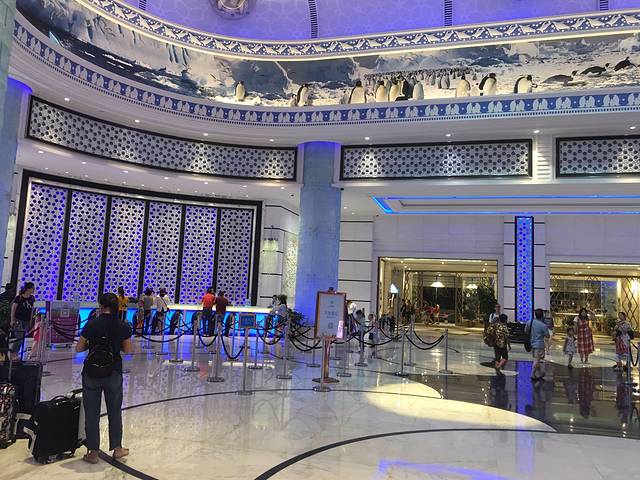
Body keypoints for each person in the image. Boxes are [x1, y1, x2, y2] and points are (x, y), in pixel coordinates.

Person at [76, 292, 132, 464]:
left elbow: (79, 348)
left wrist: (91, 345)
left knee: (91, 412)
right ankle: (117, 448)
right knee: (114, 411)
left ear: (101, 306)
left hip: (92, 372)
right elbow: (128, 350)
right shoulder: (122, 325)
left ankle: (93, 452)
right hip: (113, 372)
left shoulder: (91, 324)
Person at [10, 282, 35, 360]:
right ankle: (13, 353)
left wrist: (31, 320)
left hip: (26, 320)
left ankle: (15, 353)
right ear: (28, 289)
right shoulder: (19, 298)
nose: (34, 290)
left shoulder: (32, 298)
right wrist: (12, 320)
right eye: (32, 288)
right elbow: (13, 309)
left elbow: (32, 310)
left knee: (22, 337)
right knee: (19, 337)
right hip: (18, 319)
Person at [526, 308, 550, 382]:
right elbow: (547, 335)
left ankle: (540, 373)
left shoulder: (529, 322)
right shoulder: (543, 325)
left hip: (532, 343)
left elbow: (526, 331)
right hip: (539, 344)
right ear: (542, 316)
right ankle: (532, 374)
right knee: (536, 360)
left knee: (537, 359)